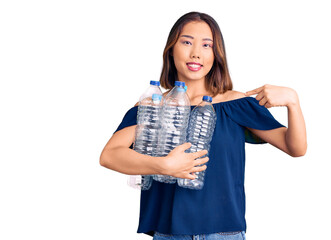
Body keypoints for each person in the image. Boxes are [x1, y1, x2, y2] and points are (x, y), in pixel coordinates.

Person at [100, 12, 307, 240]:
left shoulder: (234, 104)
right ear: (171, 49)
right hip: (170, 234)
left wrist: (293, 102)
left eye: (206, 45)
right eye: (186, 42)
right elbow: (109, 155)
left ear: (216, 54)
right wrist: (163, 166)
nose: (195, 53)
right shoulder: (152, 105)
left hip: (225, 234)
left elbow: (295, 147)